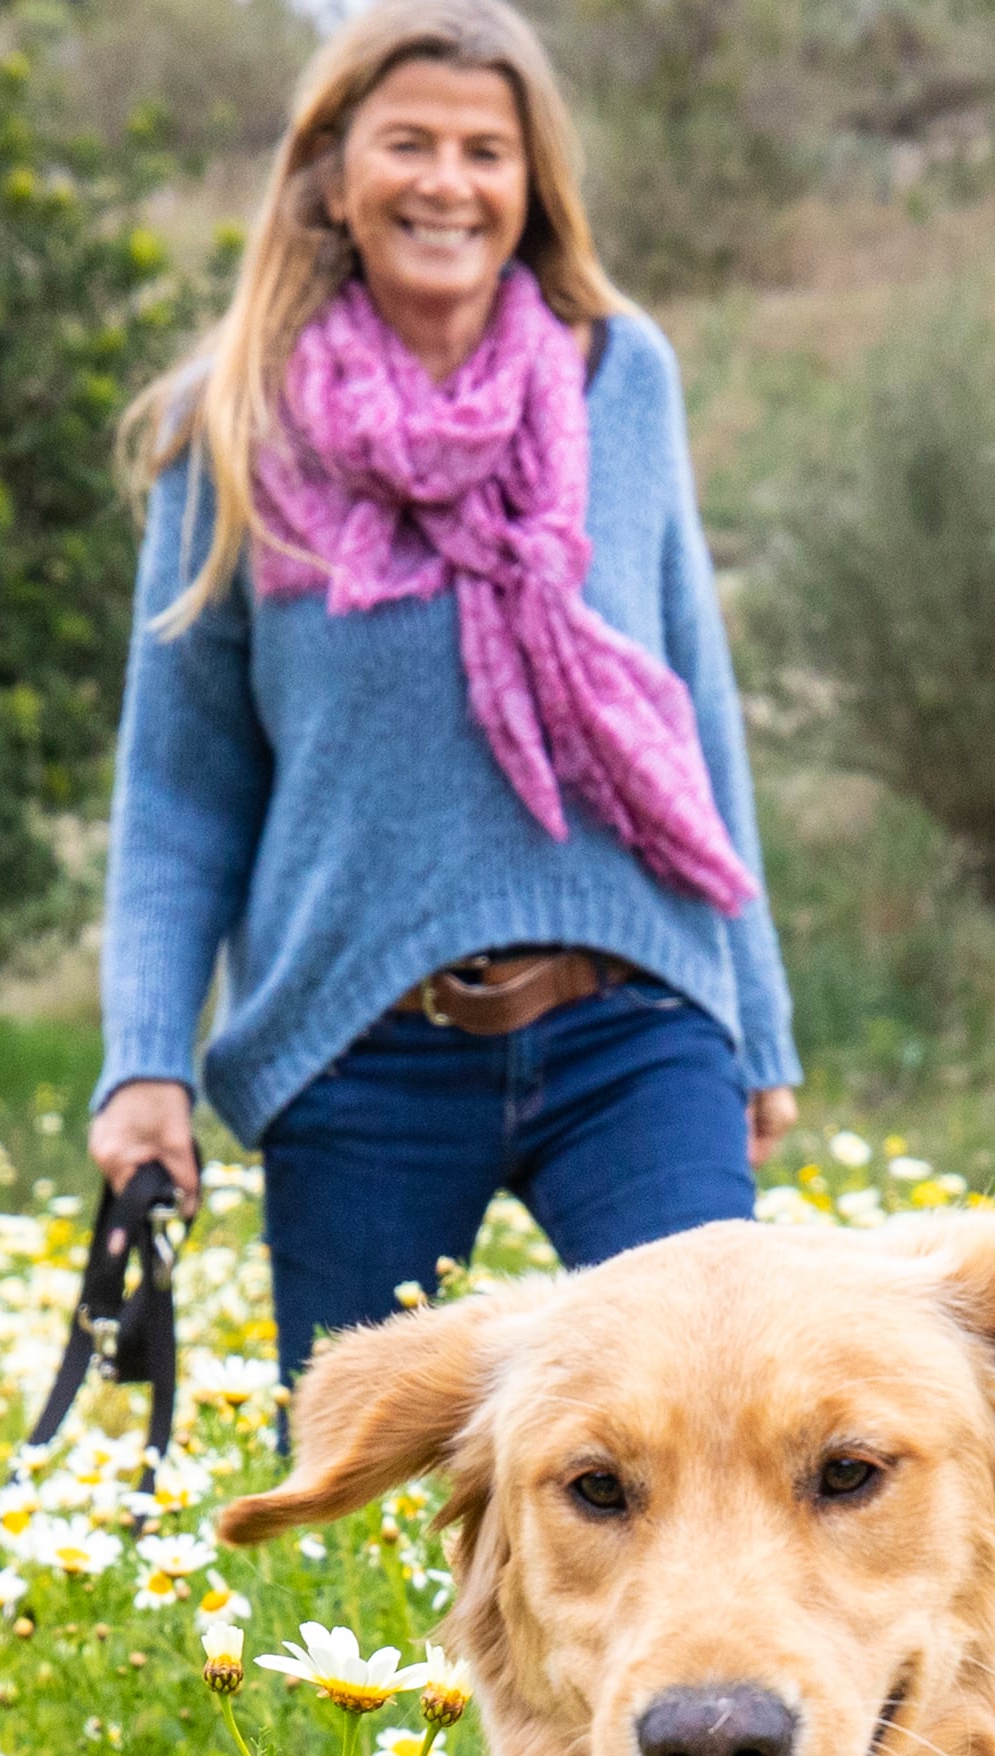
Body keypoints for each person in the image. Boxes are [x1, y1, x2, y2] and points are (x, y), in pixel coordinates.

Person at [89, 0, 800, 1380]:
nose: (448, 183)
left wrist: (757, 1021)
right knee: (356, 1475)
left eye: (486, 151)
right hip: (365, 1050)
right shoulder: (227, 421)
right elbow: (181, 792)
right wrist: (144, 1061)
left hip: (636, 1021)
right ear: (330, 174)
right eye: (408, 143)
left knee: (720, 1413)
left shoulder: (622, 379)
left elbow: (695, 713)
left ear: (532, 185)